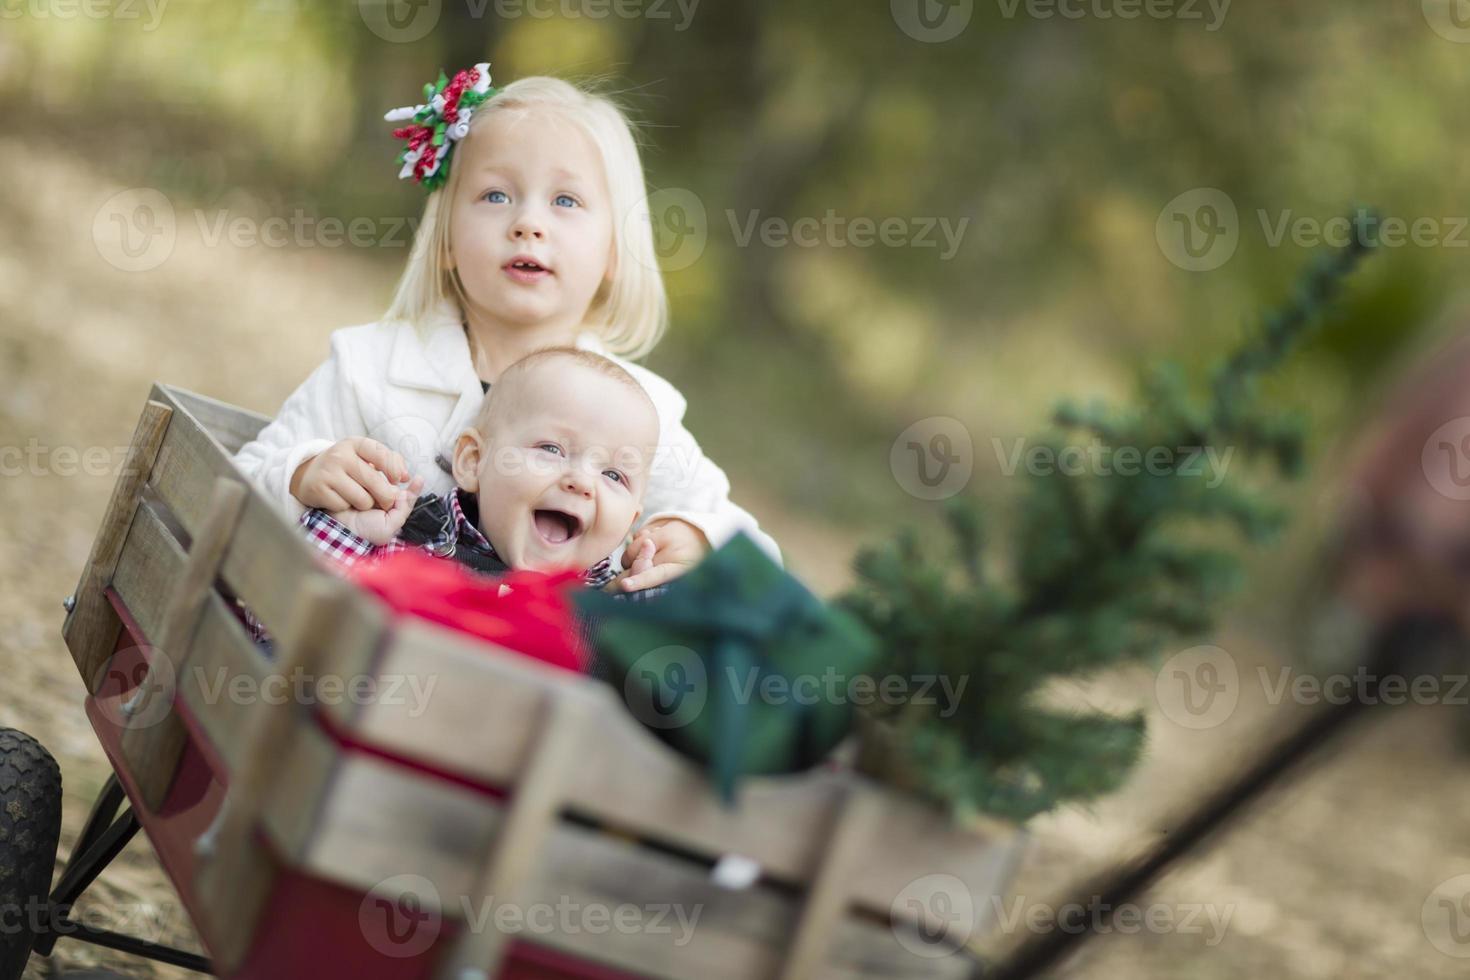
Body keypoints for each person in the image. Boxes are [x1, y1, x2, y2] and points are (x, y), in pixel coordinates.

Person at [233, 66, 778, 592]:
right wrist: (302, 475)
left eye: (566, 201)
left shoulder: (641, 412)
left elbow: (750, 548)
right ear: (445, 239)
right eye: (496, 195)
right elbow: (238, 478)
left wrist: (693, 536)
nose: (528, 223)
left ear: (615, 250)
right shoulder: (370, 368)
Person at [302, 347, 661, 590]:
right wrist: (346, 533)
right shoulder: (409, 543)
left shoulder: (613, 614)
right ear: (474, 461)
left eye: (613, 475)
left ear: (630, 522)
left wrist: (654, 611)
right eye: (551, 449)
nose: (582, 482)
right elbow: (288, 626)